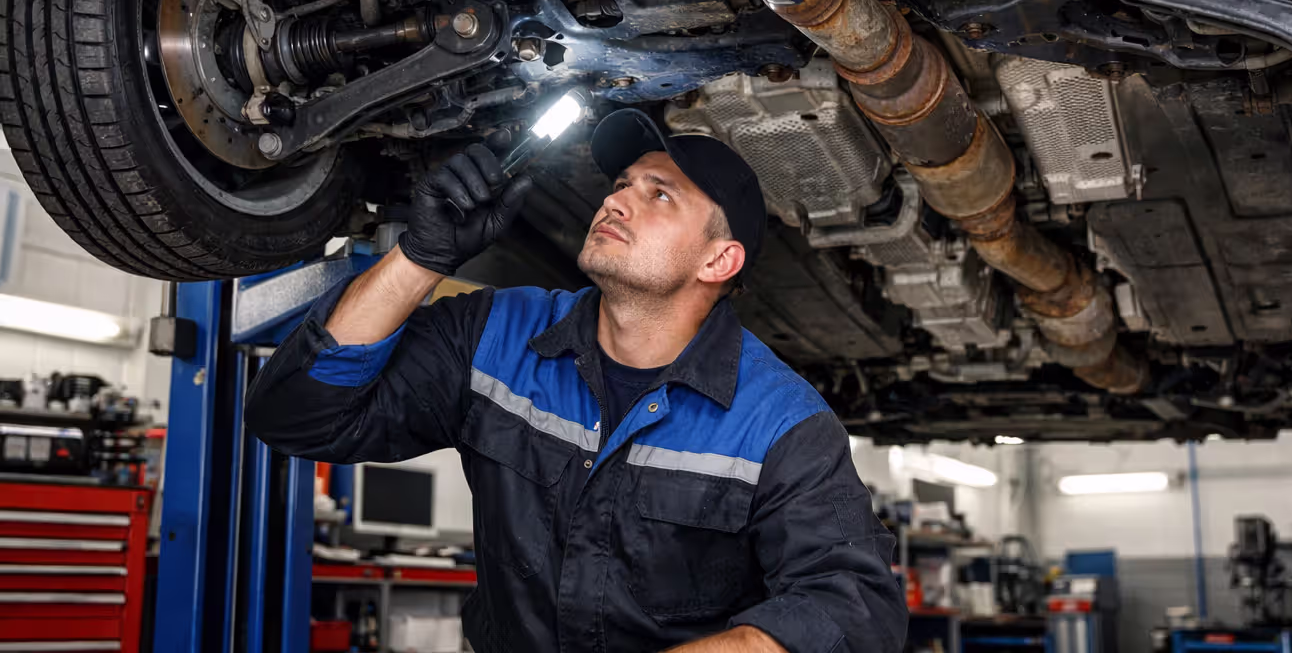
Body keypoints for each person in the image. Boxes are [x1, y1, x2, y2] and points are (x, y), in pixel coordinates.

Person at [245, 108, 907, 653]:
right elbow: (296, 416)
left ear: (719, 259)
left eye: (659, 194)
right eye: (622, 182)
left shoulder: (779, 420)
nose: (618, 199)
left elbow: (855, 607)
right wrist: (421, 256)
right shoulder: (500, 335)